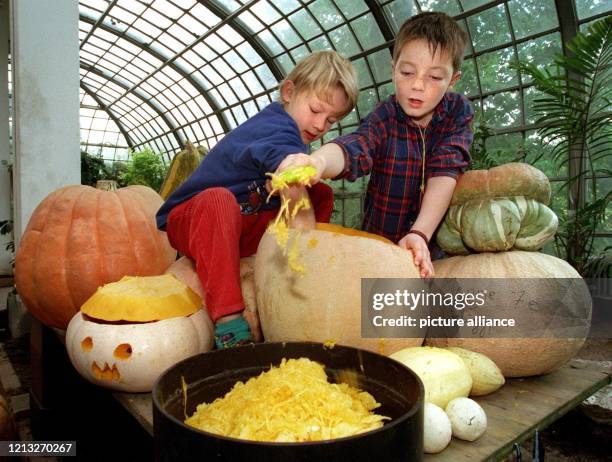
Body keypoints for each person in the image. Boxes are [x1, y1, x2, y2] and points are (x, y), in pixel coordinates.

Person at [156, 51, 358, 349]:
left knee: (322, 193)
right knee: (219, 201)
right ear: (288, 92)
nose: (319, 125)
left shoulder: (294, 139)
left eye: (330, 120)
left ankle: (273, 269)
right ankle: (228, 321)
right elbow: (293, 189)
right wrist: (308, 262)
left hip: (241, 226)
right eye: (315, 110)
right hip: (194, 220)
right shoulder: (275, 127)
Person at [278, 12, 473, 278]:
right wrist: (317, 162)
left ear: (452, 80)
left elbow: (446, 169)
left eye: (435, 77)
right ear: (393, 69)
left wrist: (419, 234)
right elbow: (355, 147)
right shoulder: (386, 116)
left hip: (432, 253)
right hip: (377, 251)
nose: (417, 85)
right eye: (406, 72)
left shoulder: (457, 112)